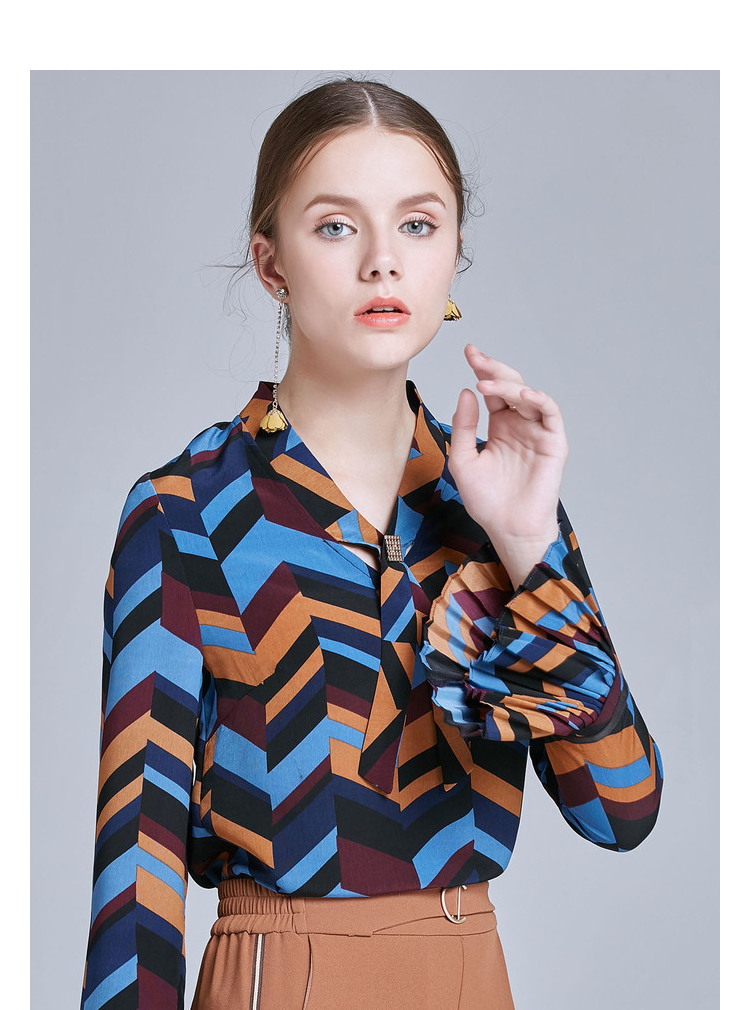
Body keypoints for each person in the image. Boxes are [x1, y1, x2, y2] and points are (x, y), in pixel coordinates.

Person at [79, 76, 663, 1010]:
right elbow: (135, 887)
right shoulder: (186, 512)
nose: (383, 263)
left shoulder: (494, 503)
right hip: (281, 977)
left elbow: (622, 811)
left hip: (474, 975)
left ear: (454, 254)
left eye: (418, 225)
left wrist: (528, 543)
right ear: (272, 263)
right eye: (336, 226)